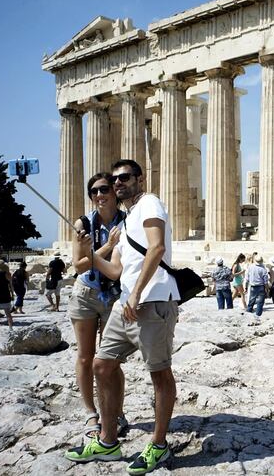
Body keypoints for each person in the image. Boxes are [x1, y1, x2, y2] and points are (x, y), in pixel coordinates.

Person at [66, 159, 179, 474]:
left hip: (153, 301)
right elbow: (114, 269)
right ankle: (107, 441)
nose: (117, 184)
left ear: (139, 179)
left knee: (159, 375)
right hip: (126, 305)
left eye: (124, 178)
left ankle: (158, 445)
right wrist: (91, 253)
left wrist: (135, 293)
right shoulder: (126, 221)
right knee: (101, 366)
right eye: (113, 180)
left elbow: (156, 249)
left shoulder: (151, 203)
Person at [69, 172, 128, 439]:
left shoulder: (128, 221)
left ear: (114, 192)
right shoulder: (83, 224)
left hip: (114, 295)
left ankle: (116, 413)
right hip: (85, 293)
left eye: (104, 189)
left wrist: (94, 253)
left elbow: (115, 268)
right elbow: (79, 265)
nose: (99, 195)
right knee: (84, 356)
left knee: (110, 361)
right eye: (94, 192)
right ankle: (91, 413)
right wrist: (106, 247)